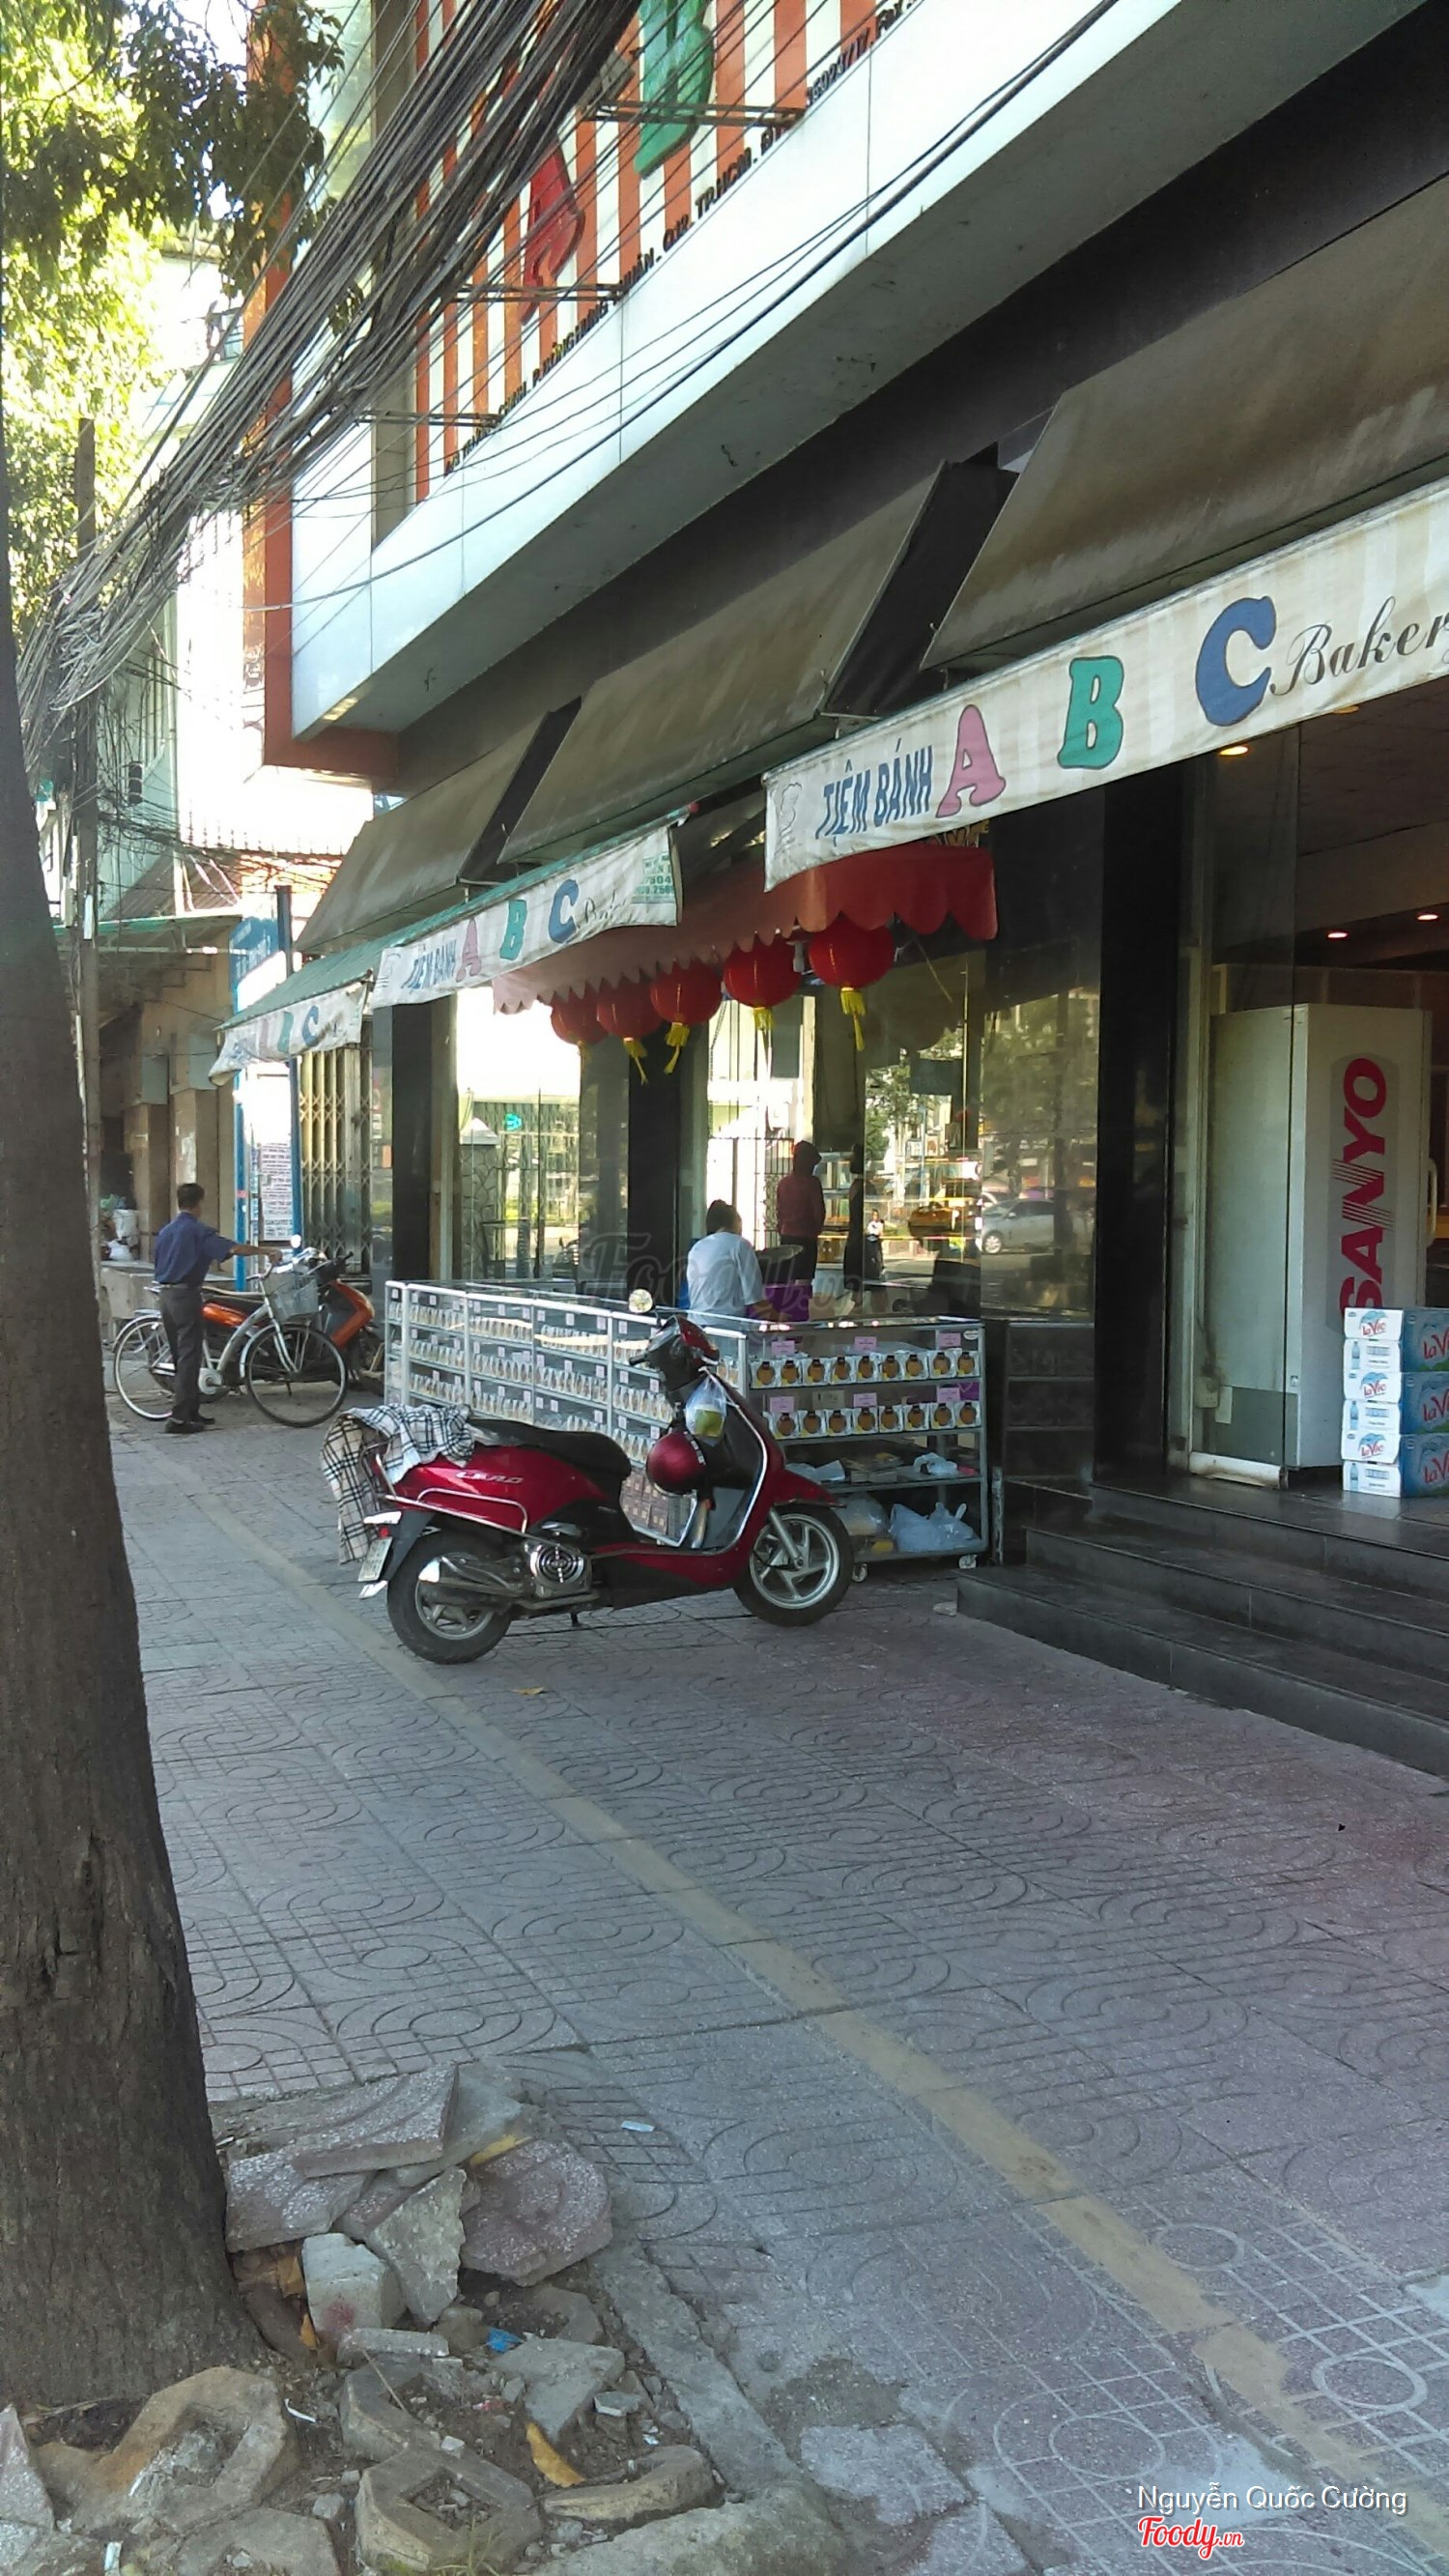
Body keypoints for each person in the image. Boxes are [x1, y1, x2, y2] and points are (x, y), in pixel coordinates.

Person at [153, 1184, 263, 1434]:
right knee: (190, 1358)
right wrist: (266, 1251)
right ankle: (179, 1419)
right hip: (186, 1296)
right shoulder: (197, 1231)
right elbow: (233, 1249)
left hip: (166, 1295)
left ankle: (192, 1411)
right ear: (200, 1203)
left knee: (181, 1357)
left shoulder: (166, 1231)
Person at [685, 1201, 773, 1322]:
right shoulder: (739, 1244)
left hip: (695, 1323)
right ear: (734, 1222)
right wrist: (782, 1318)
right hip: (726, 1326)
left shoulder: (697, 1248)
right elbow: (757, 1303)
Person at [775, 1139, 825, 1283]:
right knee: (804, 1281)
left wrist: (782, 1229)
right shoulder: (813, 1183)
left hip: (787, 1236)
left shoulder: (784, 1183)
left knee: (787, 1279)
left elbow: (779, 1211)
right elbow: (818, 1211)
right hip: (806, 1237)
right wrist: (817, 1230)